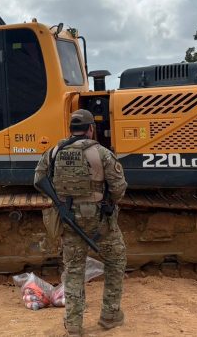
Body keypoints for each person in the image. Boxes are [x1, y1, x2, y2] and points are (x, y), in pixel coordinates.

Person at [34, 109, 127, 336]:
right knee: (116, 260)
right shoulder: (102, 153)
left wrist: (59, 203)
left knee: (74, 271)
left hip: (69, 218)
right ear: (90, 129)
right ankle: (109, 315)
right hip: (100, 220)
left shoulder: (54, 152)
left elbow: (38, 179)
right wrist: (109, 203)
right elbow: (118, 187)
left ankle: (74, 326)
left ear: (71, 129)